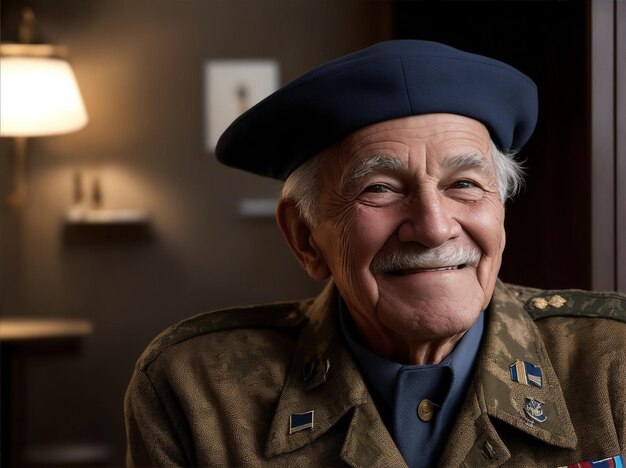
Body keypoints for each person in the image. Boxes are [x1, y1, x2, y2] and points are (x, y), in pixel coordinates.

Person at [125, 40, 626, 467]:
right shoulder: (197, 389)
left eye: (465, 184)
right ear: (304, 235)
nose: (433, 227)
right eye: (381, 189)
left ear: (500, 210)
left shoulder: (612, 363)